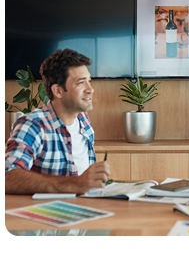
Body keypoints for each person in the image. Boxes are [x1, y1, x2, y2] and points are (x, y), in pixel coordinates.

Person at [3, 49, 111, 195]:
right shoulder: (32, 125)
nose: (90, 89)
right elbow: (6, 177)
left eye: (89, 81)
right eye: (81, 83)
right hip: (47, 212)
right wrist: (74, 184)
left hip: (87, 205)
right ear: (58, 91)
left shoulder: (83, 118)